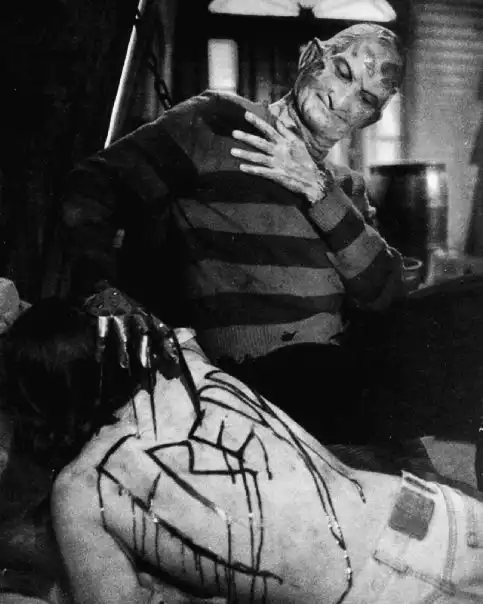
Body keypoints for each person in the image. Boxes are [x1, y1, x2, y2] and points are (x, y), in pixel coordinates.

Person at [49, 23, 405, 442]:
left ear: (371, 119)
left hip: (332, 389)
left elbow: (385, 293)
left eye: (366, 98)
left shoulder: (346, 188)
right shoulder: (217, 121)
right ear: (311, 58)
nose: (343, 101)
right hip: (244, 387)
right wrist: (101, 292)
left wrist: (318, 188)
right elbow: (89, 187)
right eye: (343, 72)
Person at [3, 297, 483, 604]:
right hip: (438, 513)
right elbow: (143, 320)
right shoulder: (183, 365)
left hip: (389, 588)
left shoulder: (83, 489)